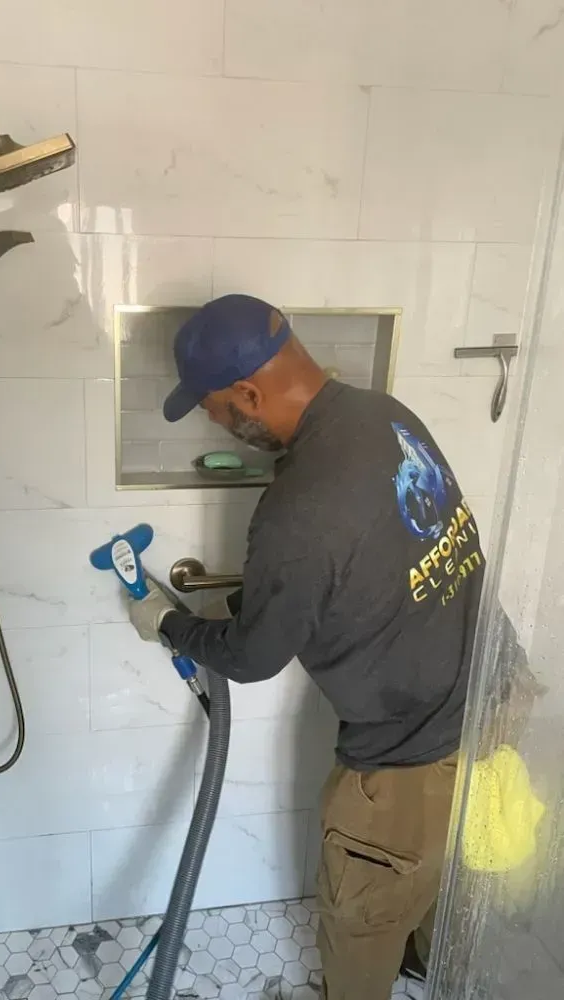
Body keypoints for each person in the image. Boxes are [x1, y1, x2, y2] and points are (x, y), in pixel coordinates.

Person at [125, 293, 487, 1000]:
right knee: (437, 877)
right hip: (483, 710)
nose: (213, 422)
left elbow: (255, 658)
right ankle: (426, 961)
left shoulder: (300, 508)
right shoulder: (385, 414)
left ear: (248, 393)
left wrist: (170, 626)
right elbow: (369, 557)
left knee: (361, 918)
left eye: (212, 407)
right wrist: (249, 599)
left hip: (406, 766)